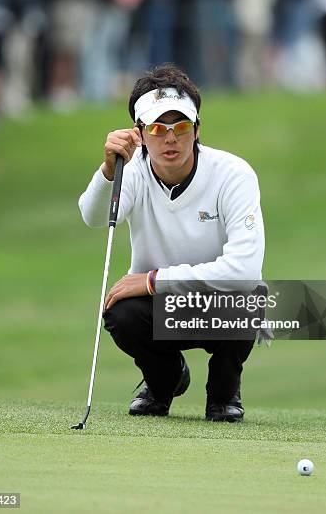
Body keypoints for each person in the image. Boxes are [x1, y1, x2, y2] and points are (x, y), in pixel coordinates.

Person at [78, 64, 265, 422]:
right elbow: (92, 216)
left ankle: (224, 393)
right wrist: (107, 171)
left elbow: (243, 271)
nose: (170, 139)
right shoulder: (129, 172)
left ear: (196, 130)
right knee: (121, 312)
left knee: (249, 300)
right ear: (140, 132)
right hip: (159, 309)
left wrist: (152, 280)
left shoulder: (233, 174)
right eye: (158, 128)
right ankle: (163, 381)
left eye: (180, 127)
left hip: (220, 305)